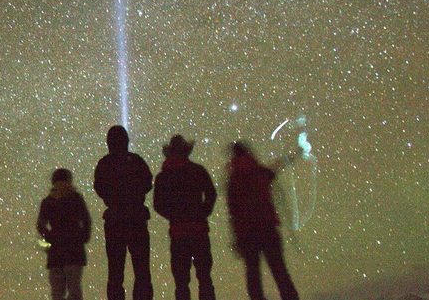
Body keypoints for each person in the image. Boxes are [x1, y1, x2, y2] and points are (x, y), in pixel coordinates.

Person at [226, 141, 300, 300]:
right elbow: (277, 167)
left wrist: (236, 236)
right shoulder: (260, 171)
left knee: (253, 276)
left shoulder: (233, 180)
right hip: (267, 228)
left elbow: (233, 212)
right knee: (280, 272)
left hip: (246, 233)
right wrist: (297, 152)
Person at [153, 135, 217, 300]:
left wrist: (174, 216)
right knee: (205, 278)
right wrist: (203, 212)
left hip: (178, 232)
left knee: (181, 282)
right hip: (199, 230)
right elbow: (211, 193)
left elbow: (158, 205)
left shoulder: (163, 177)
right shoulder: (198, 170)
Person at [94, 125, 154, 300]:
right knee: (142, 271)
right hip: (137, 220)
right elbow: (147, 182)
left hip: (114, 221)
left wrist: (112, 198)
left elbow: (99, 187)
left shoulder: (104, 163)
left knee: (115, 273)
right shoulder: (135, 161)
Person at [37, 168, 92, 300]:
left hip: (56, 252)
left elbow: (40, 225)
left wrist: (49, 238)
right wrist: (82, 237)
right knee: (74, 292)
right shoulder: (76, 199)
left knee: (57, 293)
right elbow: (86, 220)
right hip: (74, 250)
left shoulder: (48, 201)